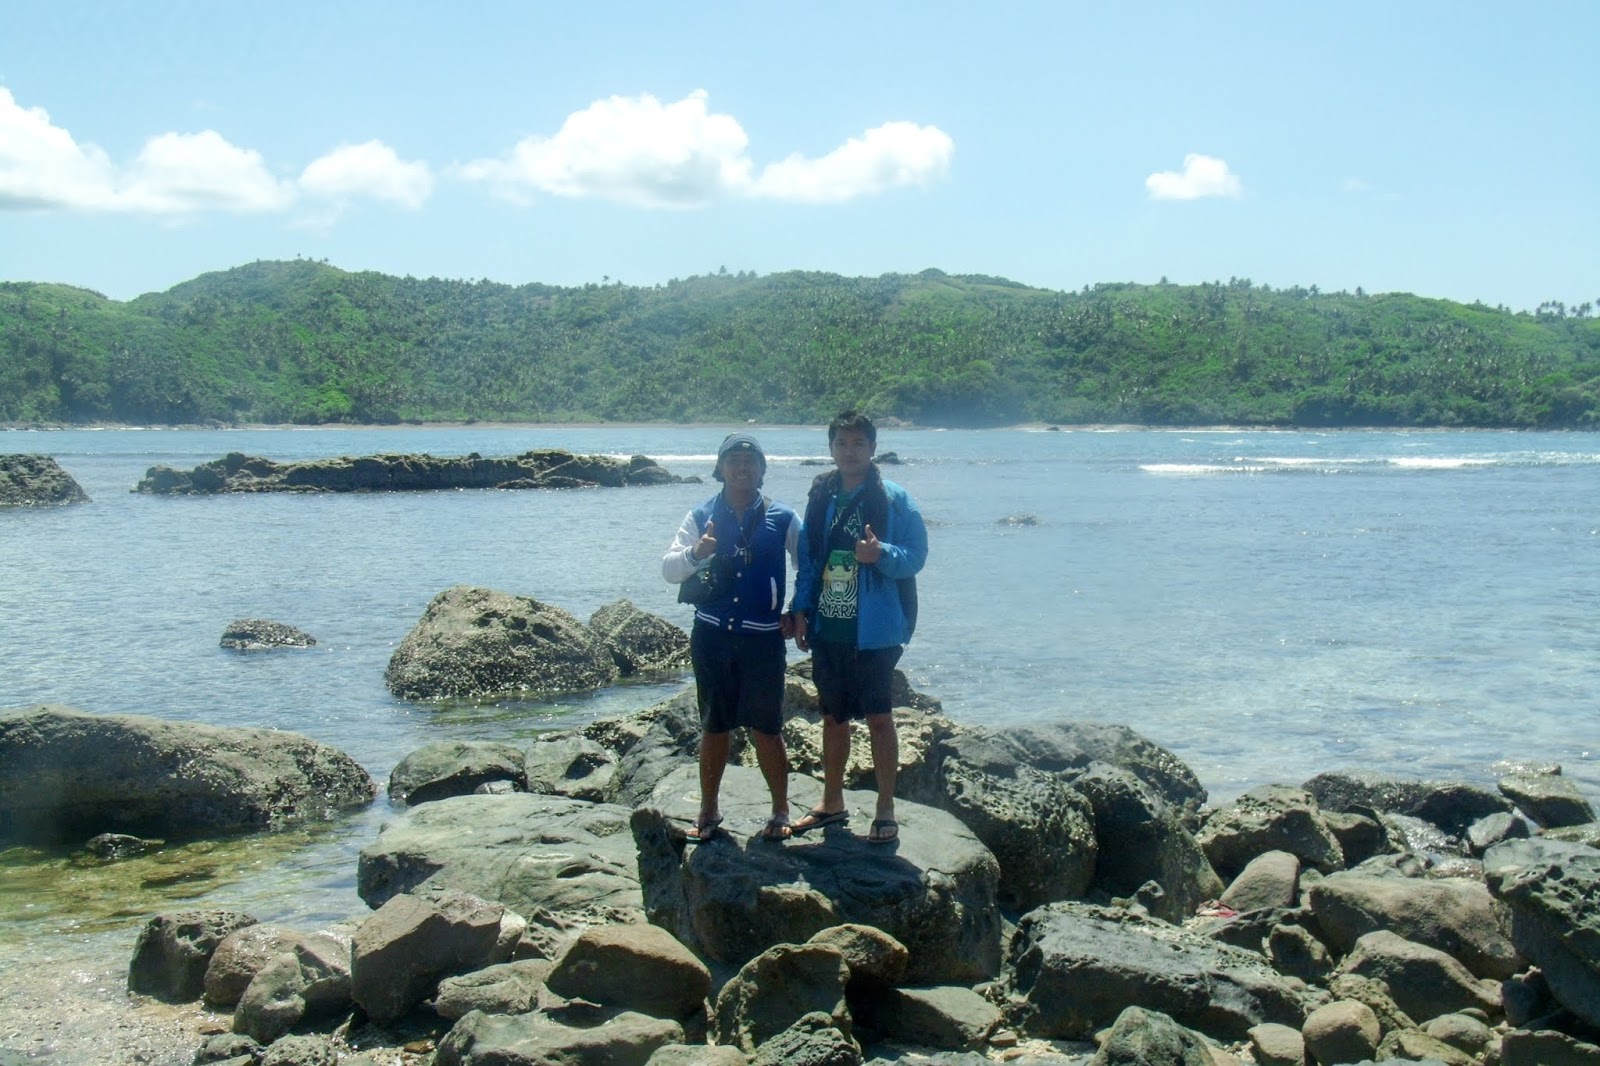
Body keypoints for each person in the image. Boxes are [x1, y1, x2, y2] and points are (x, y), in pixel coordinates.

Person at [788, 411, 928, 844]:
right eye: (842, 443)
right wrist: (801, 609)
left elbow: (916, 555)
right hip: (830, 624)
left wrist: (880, 553)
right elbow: (809, 560)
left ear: (872, 448)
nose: (849, 452)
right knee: (833, 718)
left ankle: (885, 809)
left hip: (876, 629)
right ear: (831, 448)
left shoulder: (894, 498)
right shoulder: (822, 496)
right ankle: (832, 802)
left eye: (858, 444)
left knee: (879, 718)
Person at [663, 432, 800, 842]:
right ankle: (708, 810)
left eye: (750, 461)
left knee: (767, 728)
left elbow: (809, 566)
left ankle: (780, 810)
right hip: (712, 636)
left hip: (763, 640)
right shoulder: (700, 515)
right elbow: (669, 569)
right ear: (720, 468)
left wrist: (799, 609)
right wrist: (697, 553)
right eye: (734, 460)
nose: (743, 468)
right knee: (714, 725)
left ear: (762, 469)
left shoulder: (783, 517)